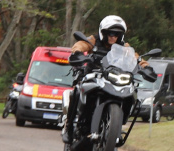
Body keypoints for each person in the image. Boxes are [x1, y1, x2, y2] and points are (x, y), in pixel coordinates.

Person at [62, 15, 148, 143]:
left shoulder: (124, 46)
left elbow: (135, 57)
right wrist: (77, 52)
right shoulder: (93, 40)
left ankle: (115, 129)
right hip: (93, 74)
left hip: (112, 77)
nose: (113, 36)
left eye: (117, 34)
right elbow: (81, 44)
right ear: (104, 33)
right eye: (110, 33)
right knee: (77, 91)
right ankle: (69, 127)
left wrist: (145, 67)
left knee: (130, 94)